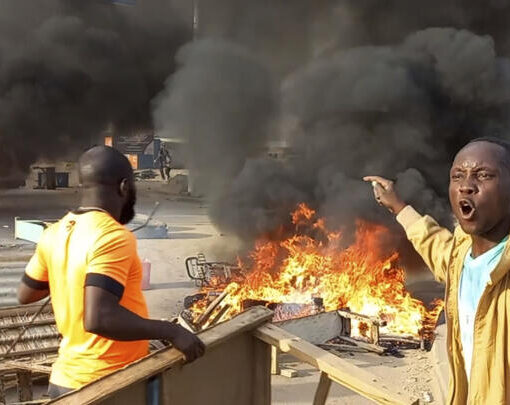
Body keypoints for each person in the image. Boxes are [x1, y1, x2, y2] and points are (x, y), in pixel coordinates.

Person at [17, 146, 205, 399]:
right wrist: (171, 331)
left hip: (64, 381)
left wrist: (69, 274)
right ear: (124, 187)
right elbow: (99, 318)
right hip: (106, 384)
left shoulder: (55, 232)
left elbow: (26, 293)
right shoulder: (112, 236)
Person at [364, 137, 510, 404]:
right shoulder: (461, 256)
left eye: (483, 175)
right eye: (458, 176)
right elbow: (436, 245)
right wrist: (398, 206)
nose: (466, 186)